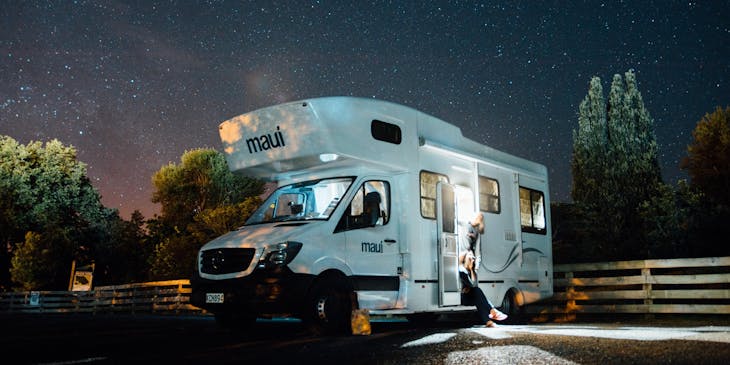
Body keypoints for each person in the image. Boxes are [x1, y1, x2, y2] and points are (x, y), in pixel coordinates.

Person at [460, 213, 507, 327]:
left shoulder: (476, 233)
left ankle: (489, 318)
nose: (479, 220)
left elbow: (477, 251)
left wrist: (473, 268)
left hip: (466, 291)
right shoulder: (463, 225)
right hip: (462, 293)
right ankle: (491, 312)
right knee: (477, 292)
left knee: (477, 292)